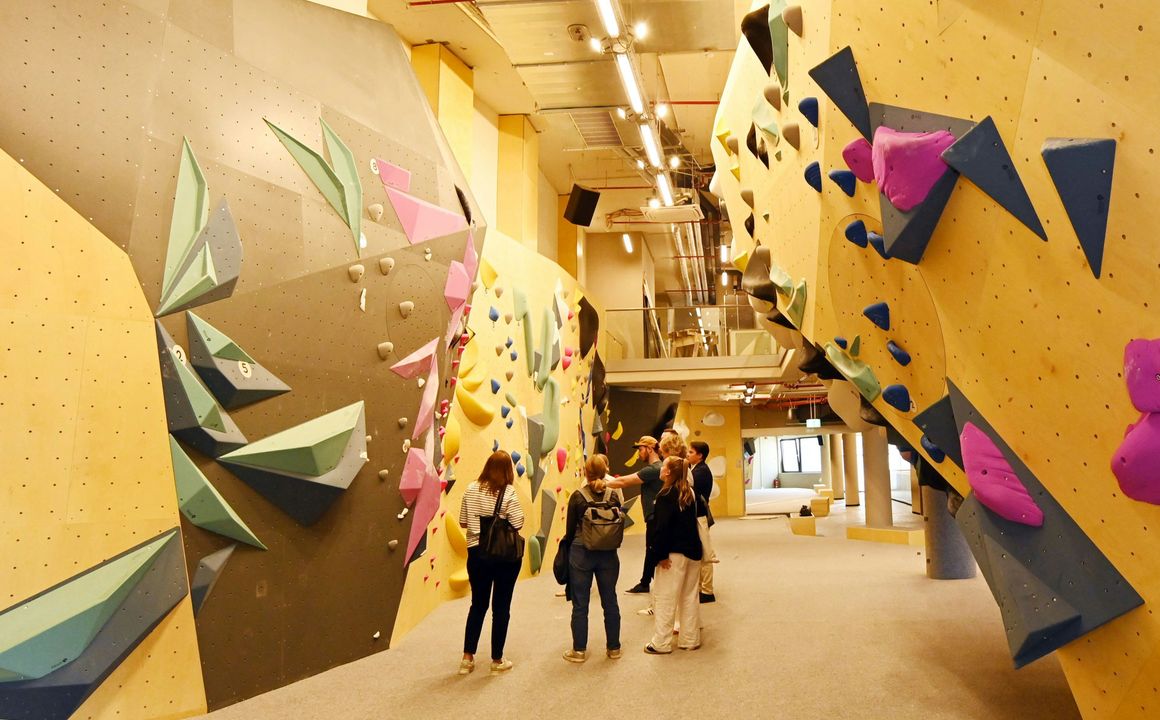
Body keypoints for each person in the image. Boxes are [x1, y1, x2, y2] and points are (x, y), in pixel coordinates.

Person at [457, 450, 525, 675]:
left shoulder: (470, 488)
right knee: (501, 607)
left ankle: (467, 658)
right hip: (504, 557)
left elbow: (463, 522)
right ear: (508, 470)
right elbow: (518, 523)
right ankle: (497, 660)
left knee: (478, 605)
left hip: (477, 555)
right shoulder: (509, 493)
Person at [561, 454, 624, 663]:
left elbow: (570, 531)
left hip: (581, 553)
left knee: (580, 604)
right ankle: (613, 648)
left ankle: (579, 651)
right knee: (610, 600)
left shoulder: (578, 497)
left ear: (586, 474)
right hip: (608, 554)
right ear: (605, 470)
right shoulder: (613, 496)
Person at [644, 455, 703, 654]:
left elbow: (662, 529)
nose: (661, 468)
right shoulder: (690, 493)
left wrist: (659, 555)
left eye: (664, 466)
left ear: (668, 472)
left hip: (672, 554)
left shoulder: (665, 494)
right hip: (693, 552)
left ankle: (660, 643)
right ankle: (689, 639)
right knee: (689, 597)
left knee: (665, 598)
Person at [607, 437, 662, 594]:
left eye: (640, 449)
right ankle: (645, 582)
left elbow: (624, 481)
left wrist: (601, 483)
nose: (638, 453)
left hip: (655, 516)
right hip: (654, 515)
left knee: (652, 548)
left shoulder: (653, 469)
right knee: (651, 549)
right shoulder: (657, 468)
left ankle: (645, 583)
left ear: (649, 449)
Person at [688, 441, 717, 603]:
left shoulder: (701, 472)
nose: (688, 454)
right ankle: (702, 588)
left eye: (691, 452)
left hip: (699, 516)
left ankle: (707, 590)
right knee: (700, 553)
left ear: (700, 455)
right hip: (697, 515)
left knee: (705, 553)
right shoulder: (697, 470)